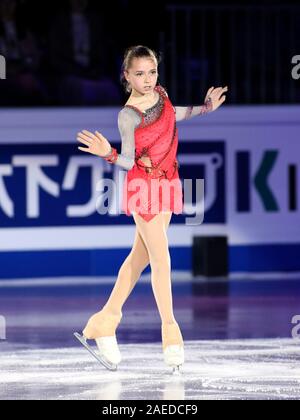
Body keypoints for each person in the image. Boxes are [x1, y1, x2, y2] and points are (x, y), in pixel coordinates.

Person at [76, 45, 228, 373]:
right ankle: (171, 331)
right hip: (143, 186)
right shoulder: (128, 114)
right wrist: (109, 154)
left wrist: (204, 108)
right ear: (126, 76)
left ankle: (105, 320)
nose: (148, 79)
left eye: (152, 72)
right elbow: (129, 158)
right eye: (140, 73)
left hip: (168, 180)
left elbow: (175, 113)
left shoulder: (160, 94)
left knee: (139, 258)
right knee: (161, 258)